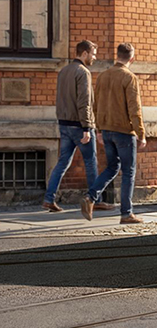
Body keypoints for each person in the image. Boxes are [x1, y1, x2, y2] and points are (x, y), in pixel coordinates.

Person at [43, 40, 115, 213]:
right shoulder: (83, 72)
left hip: (64, 124)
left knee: (62, 163)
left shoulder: (64, 71)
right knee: (91, 162)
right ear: (84, 53)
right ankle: (95, 200)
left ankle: (48, 199)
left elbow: (60, 99)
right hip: (80, 125)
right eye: (93, 54)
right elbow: (84, 102)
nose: (95, 58)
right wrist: (87, 127)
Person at [81, 43, 147, 224]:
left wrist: (99, 130)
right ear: (132, 59)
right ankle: (126, 214)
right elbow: (135, 109)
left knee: (112, 167)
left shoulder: (102, 76)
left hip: (107, 130)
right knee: (128, 172)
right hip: (124, 132)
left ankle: (90, 197)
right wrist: (141, 133)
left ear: (116, 56)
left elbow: (95, 105)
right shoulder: (129, 77)